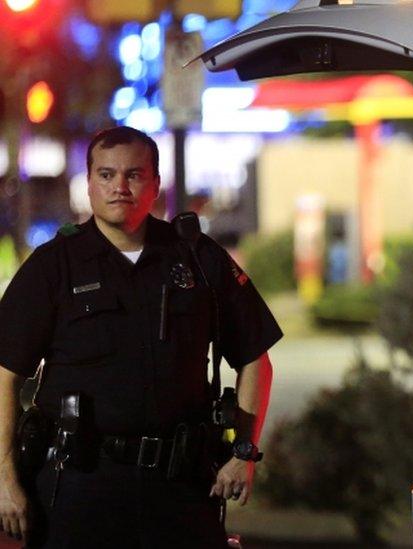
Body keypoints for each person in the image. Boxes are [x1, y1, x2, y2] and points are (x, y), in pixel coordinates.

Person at [0, 126, 282, 547]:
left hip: (181, 487)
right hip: (80, 485)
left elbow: (255, 358)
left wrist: (244, 455)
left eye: (134, 175)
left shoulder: (198, 258)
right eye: (106, 175)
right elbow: (5, 374)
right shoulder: (53, 265)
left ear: (156, 184)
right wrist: (5, 477)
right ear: (90, 182)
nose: (120, 187)